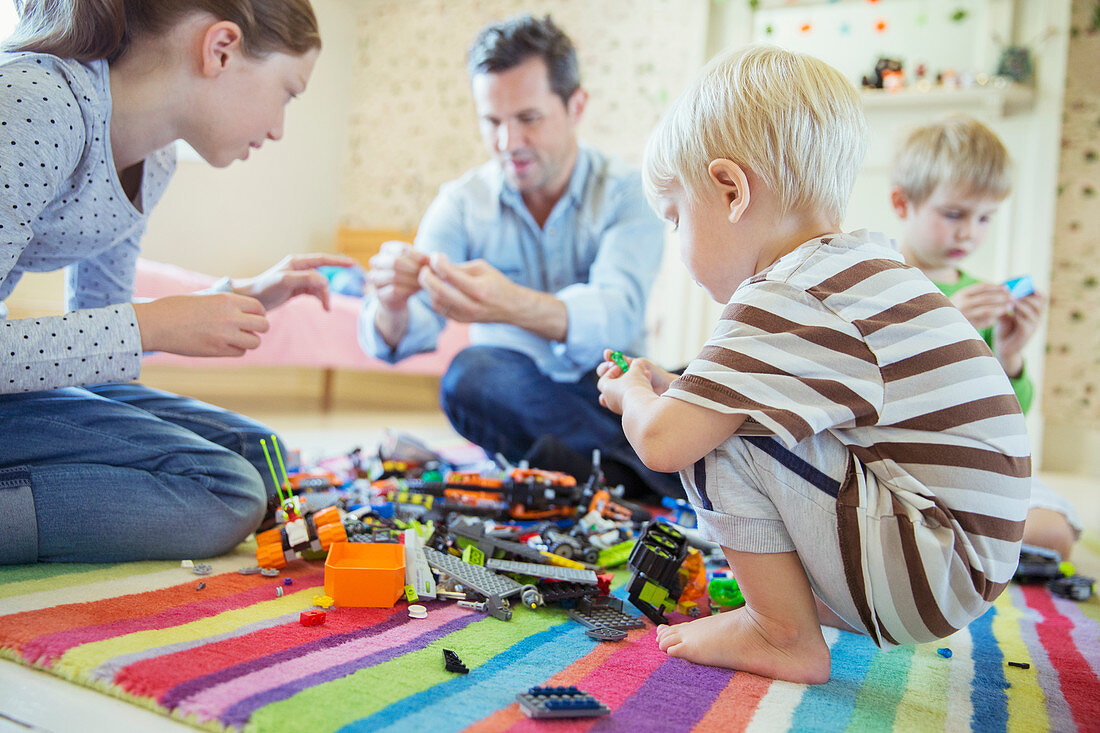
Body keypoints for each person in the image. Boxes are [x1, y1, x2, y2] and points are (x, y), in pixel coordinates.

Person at [596, 45, 1031, 683]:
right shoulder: (857, 270)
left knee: (721, 432)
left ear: (730, 190)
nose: (678, 242)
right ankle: (797, 611)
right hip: (951, 563)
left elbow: (663, 443)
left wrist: (636, 395)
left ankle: (780, 633)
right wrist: (681, 389)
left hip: (929, 567)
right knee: (727, 411)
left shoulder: (787, 293)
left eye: (676, 218)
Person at [0, 0, 354, 564]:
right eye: (288, 91)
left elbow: (101, 335)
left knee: (263, 456)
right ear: (220, 49)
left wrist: (229, 299)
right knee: (227, 491)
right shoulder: (33, 104)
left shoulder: (152, 158)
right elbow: (126, 330)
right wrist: (155, 323)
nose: (280, 128)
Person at [359, 14, 681, 500]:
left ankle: (591, 475)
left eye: (528, 119)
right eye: (492, 122)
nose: (508, 144)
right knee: (472, 377)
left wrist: (508, 304)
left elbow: (618, 318)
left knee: (696, 377)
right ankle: (646, 471)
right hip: (519, 400)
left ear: (576, 106)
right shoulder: (461, 204)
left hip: (607, 392)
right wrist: (391, 303)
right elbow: (401, 340)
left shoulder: (626, 194)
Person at [890, 115, 1081, 559]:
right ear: (902, 204)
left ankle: (964, 549)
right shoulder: (885, 284)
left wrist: (1010, 356)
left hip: (977, 464)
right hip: (908, 462)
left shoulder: (982, 296)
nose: (968, 232)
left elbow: (1011, 415)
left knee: (1054, 532)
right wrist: (944, 326)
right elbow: (887, 387)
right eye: (953, 214)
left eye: (984, 218)